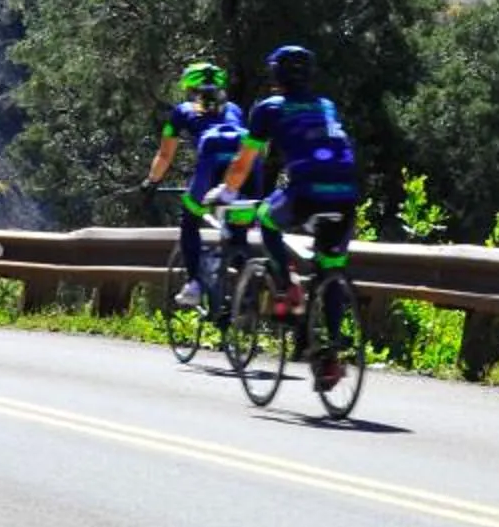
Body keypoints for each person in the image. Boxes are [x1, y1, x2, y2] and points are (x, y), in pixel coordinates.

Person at [214, 45, 365, 391]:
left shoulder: (268, 109)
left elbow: (244, 162)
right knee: (331, 268)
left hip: (306, 192)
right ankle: (331, 353)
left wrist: (225, 193)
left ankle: (287, 288)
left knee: (267, 220)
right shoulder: (327, 105)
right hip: (346, 196)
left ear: (275, 75)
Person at [146, 63, 244, 310]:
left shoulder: (182, 111)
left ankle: (194, 285)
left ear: (190, 88)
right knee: (237, 222)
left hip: (210, 169)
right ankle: (245, 284)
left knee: (190, 220)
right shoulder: (235, 109)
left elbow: (165, 155)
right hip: (243, 170)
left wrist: (151, 181)